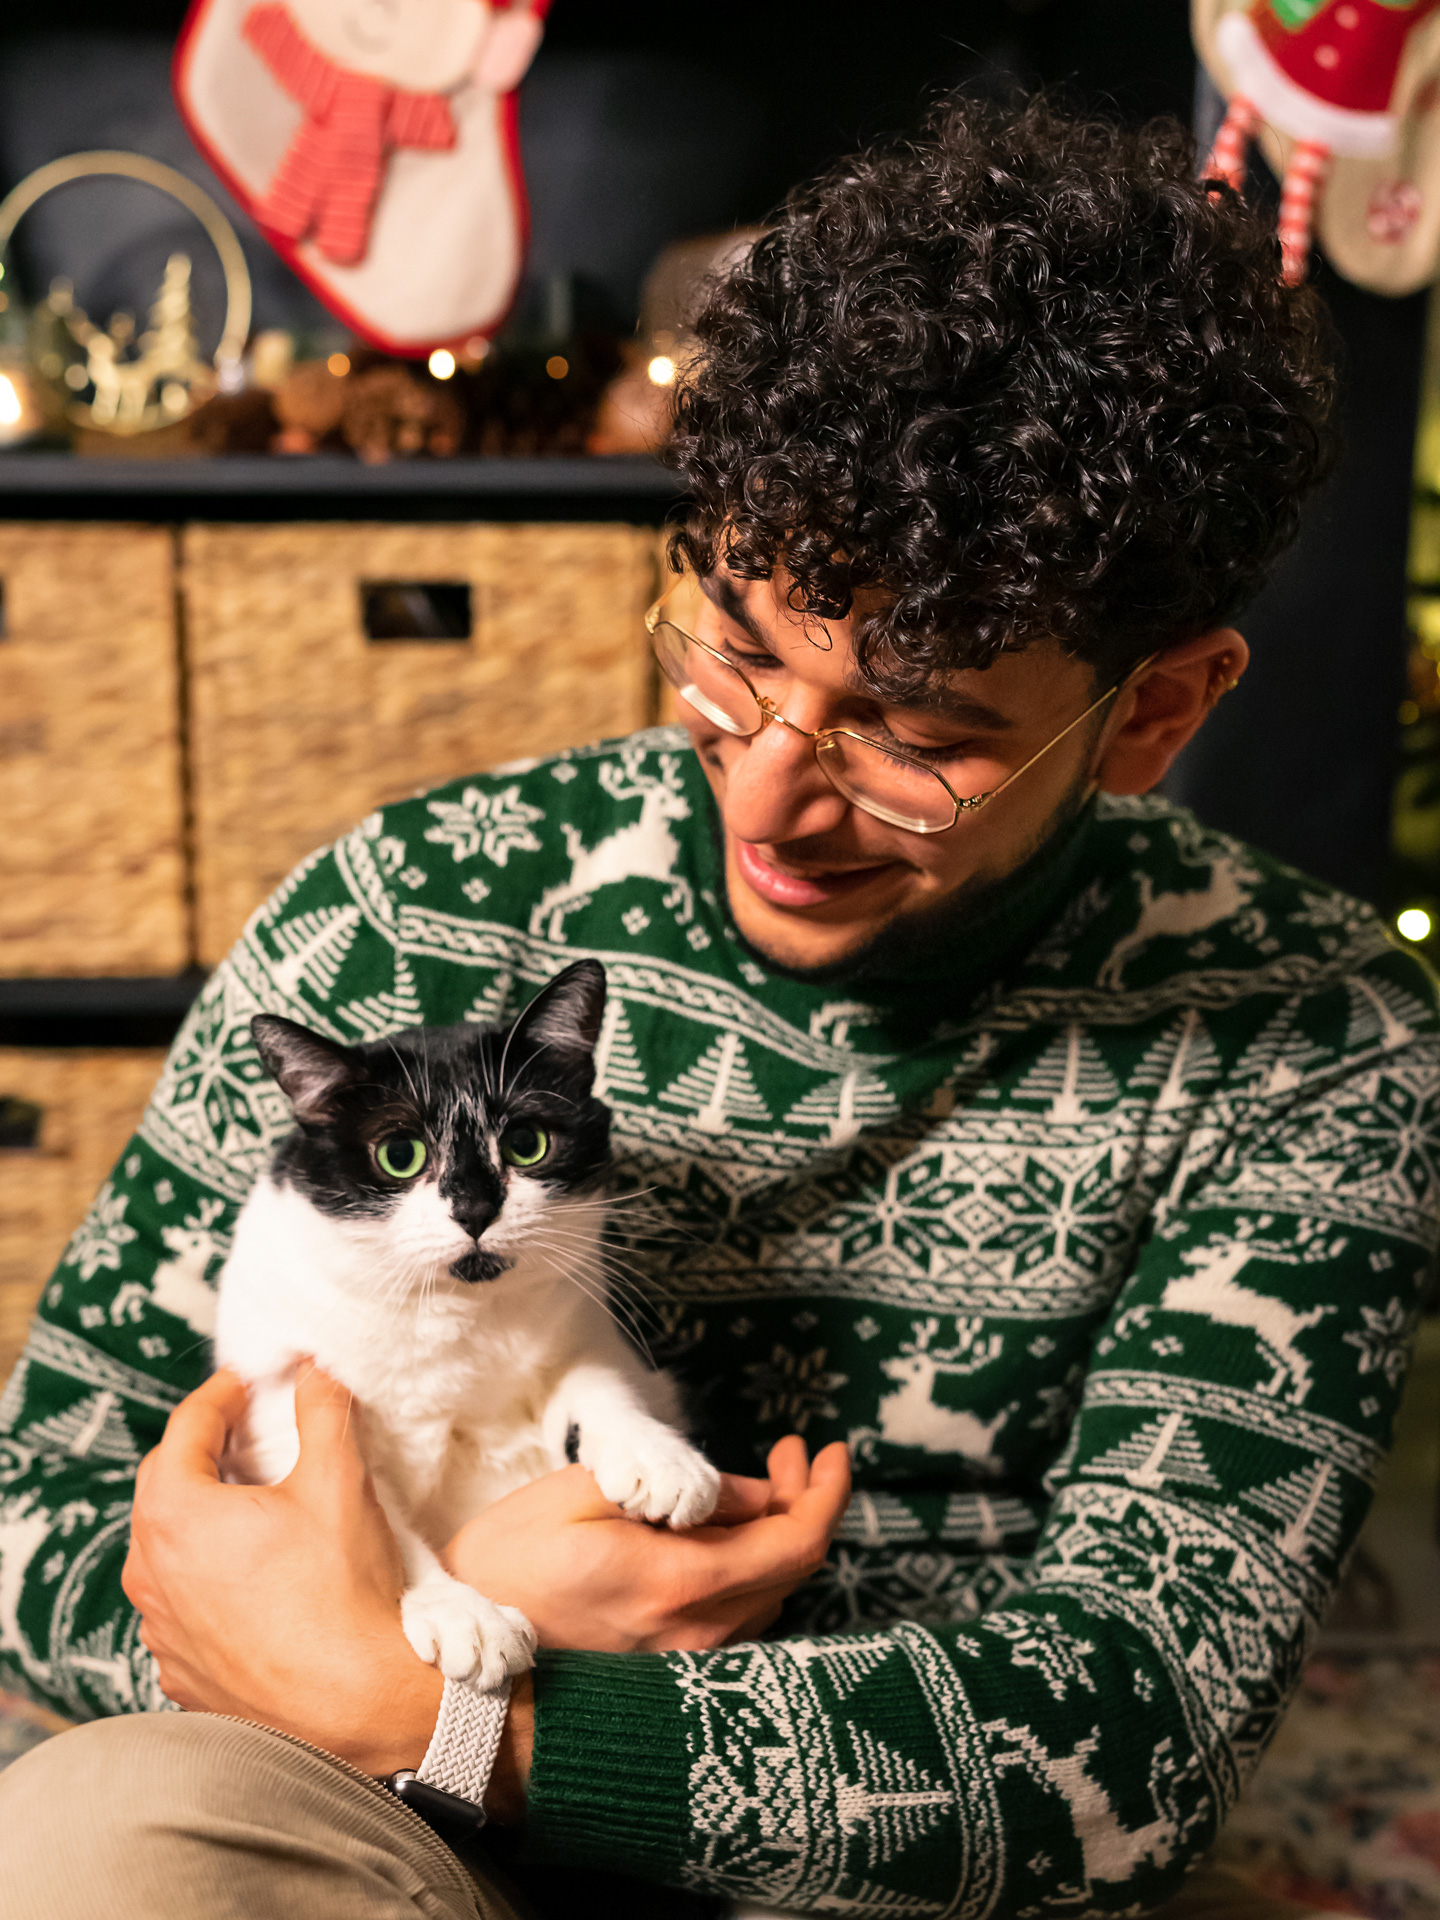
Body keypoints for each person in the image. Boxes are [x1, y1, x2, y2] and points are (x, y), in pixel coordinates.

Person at [2, 93, 1436, 1920]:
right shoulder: (406, 910)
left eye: (911, 735)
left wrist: (466, 1711)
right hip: (386, 1832)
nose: (768, 797)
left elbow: (1134, 1735)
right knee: (103, 1842)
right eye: (736, 656)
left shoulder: (1316, 1035)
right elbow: (40, 1501)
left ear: (1153, 711)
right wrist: (408, 1663)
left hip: (911, 1883)